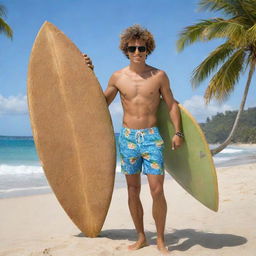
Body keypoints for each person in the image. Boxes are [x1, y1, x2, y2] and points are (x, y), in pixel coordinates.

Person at [84, 24, 184, 254]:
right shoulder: (118, 77)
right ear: (126, 50)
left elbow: (171, 105)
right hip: (128, 138)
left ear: (148, 49)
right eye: (132, 48)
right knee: (132, 190)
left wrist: (178, 132)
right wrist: (89, 74)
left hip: (152, 138)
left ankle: (160, 238)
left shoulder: (159, 76)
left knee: (157, 190)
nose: (137, 52)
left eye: (141, 48)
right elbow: (100, 103)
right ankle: (141, 237)